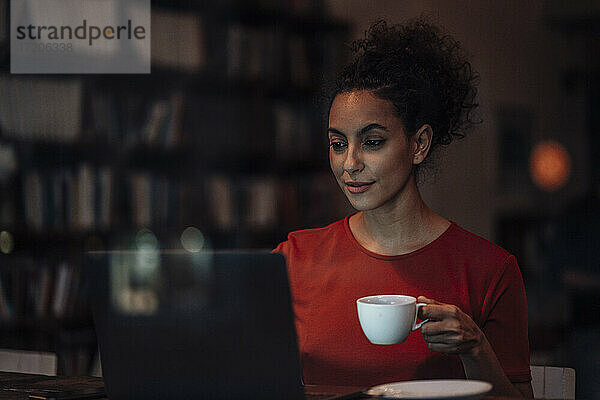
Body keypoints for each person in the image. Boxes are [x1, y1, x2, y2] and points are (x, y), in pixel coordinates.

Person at [274, 19, 534, 398]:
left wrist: (475, 347)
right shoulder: (294, 259)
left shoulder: (489, 271)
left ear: (420, 144)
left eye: (373, 142)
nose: (350, 163)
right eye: (337, 143)